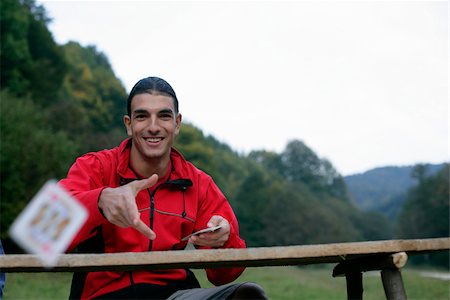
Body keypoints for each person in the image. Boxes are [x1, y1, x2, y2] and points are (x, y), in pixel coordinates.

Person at [59, 76, 267, 300]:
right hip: (106, 294)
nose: (153, 127)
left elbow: (223, 275)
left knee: (249, 295)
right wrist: (99, 201)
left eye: (164, 116)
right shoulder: (95, 168)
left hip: (175, 294)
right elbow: (39, 232)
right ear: (128, 125)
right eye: (142, 116)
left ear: (177, 124)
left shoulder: (199, 183)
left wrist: (224, 241)